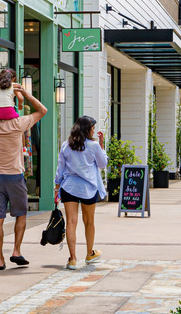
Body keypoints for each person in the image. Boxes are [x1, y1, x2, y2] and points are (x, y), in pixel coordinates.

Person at [0, 83, 47, 271]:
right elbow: (42, 110)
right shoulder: (18, 123)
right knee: (21, 214)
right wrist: (25, 93)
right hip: (14, 177)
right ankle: (16, 251)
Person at [55, 116, 108, 270]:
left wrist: (57, 188)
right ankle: (89, 253)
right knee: (89, 221)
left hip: (69, 187)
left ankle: (72, 259)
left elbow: (60, 169)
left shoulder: (66, 145)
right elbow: (102, 164)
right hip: (88, 188)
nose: (93, 130)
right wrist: (101, 145)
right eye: (92, 128)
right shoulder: (93, 146)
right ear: (87, 129)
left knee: (71, 222)